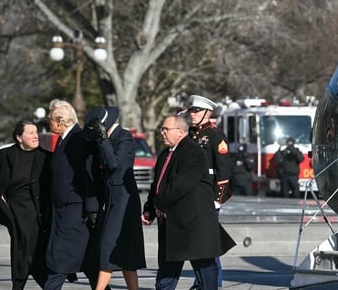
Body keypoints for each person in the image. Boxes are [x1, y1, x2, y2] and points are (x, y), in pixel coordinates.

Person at [141, 115, 236, 290]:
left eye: (166, 129)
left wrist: (158, 204)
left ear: (180, 132)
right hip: (172, 225)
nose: (162, 133)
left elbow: (180, 185)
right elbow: (158, 184)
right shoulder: (165, 154)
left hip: (194, 224)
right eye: (162, 129)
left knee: (205, 269)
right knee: (167, 274)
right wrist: (150, 210)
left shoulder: (193, 152)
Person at [83, 106, 146, 290]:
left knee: (108, 246)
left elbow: (114, 164)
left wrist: (103, 140)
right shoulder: (103, 139)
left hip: (125, 201)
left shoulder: (124, 136)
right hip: (111, 201)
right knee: (125, 251)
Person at [43, 99, 103, 290]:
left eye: (50, 120)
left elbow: (89, 175)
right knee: (88, 264)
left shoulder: (79, 139)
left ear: (60, 122)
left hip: (75, 211)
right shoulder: (65, 139)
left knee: (59, 261)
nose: (48, 123)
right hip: (64, 211)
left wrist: (92, 208)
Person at [0, 120, 51, 290]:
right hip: (14, 213)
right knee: (25, 249)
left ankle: (25, 282)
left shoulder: (46, 156)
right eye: (30, 132)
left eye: (36, 132)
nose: (35, 135)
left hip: (36, 213)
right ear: (19, 137)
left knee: (29, 250)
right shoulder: (5, 155)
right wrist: (3, 214)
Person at [185, 94, 232, 289]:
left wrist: (217, 198)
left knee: (209, 244)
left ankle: (212, 283)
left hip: (208, 197)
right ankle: (201, 282)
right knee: (198, 243)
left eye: (196, 111)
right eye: (191, 111)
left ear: (207, 112)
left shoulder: (215, 135)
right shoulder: (191, 134)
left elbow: (223, 169)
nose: (192, 114)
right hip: (193, 196)